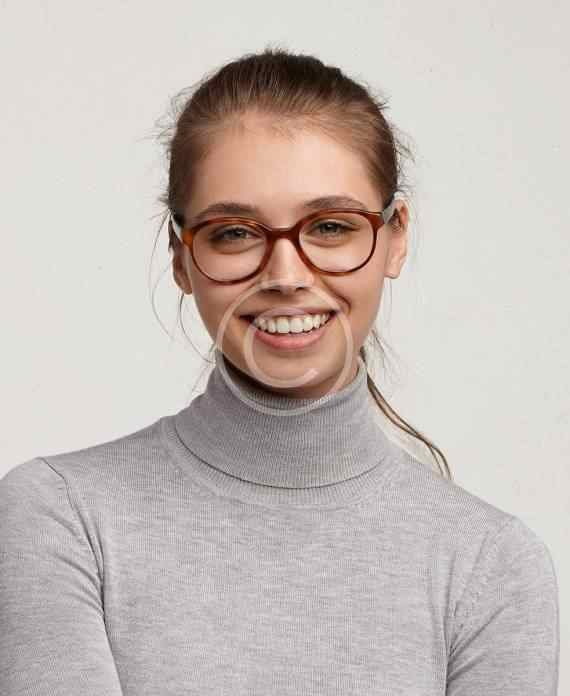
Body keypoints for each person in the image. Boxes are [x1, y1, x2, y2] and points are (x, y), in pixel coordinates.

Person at [0, 47, 559, 695]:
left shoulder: (491, 566)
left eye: (331, 226)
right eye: (235, 232)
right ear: (180, 255)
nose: (286, 275)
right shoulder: (62, 516)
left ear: (395, 236)